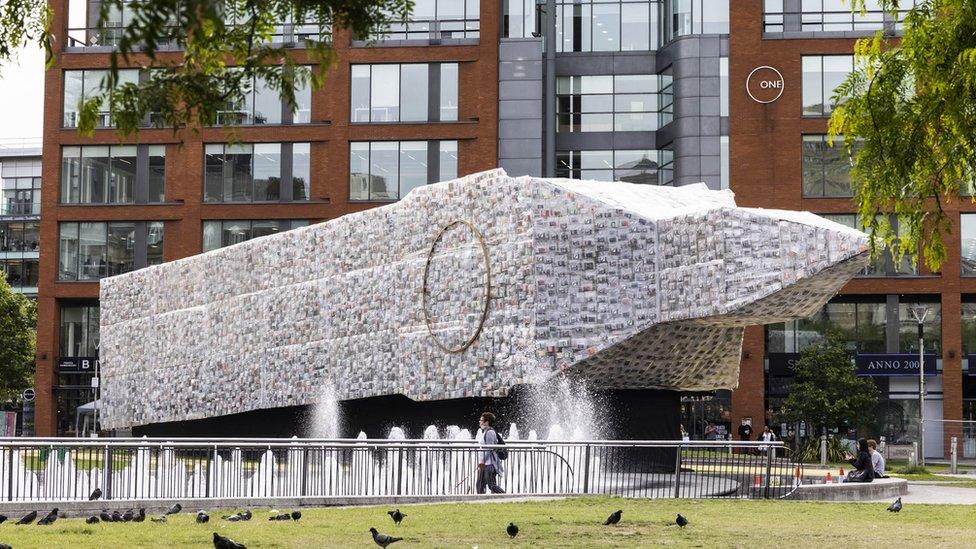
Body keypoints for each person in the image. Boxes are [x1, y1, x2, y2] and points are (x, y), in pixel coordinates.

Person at [475, 412, 505, 494]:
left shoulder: (490, 432)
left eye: (481, 420)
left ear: (487, 422)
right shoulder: (485, 431)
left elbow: (489, 449)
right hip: (485, 464)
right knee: (479, 485)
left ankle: (506, 496)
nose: (479, 422)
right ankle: (480, 503)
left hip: (489, 464)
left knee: (491, 485)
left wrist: (482, 461)